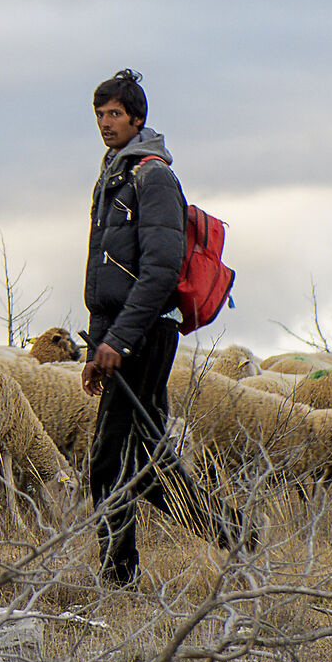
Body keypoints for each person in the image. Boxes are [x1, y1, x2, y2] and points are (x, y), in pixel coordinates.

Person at [79, 69, 241, 585]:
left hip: (147, 335)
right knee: (148, 458)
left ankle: (117, 579)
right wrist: (96, 347)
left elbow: (161, 270)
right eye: (100, 115)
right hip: (122, 336)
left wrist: (120, 341)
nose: (106, 124)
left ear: (138, 119)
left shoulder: (153, 178)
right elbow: (103, 276)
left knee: (108, 462)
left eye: (115, 115)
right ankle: (234, 536)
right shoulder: (112, 178)